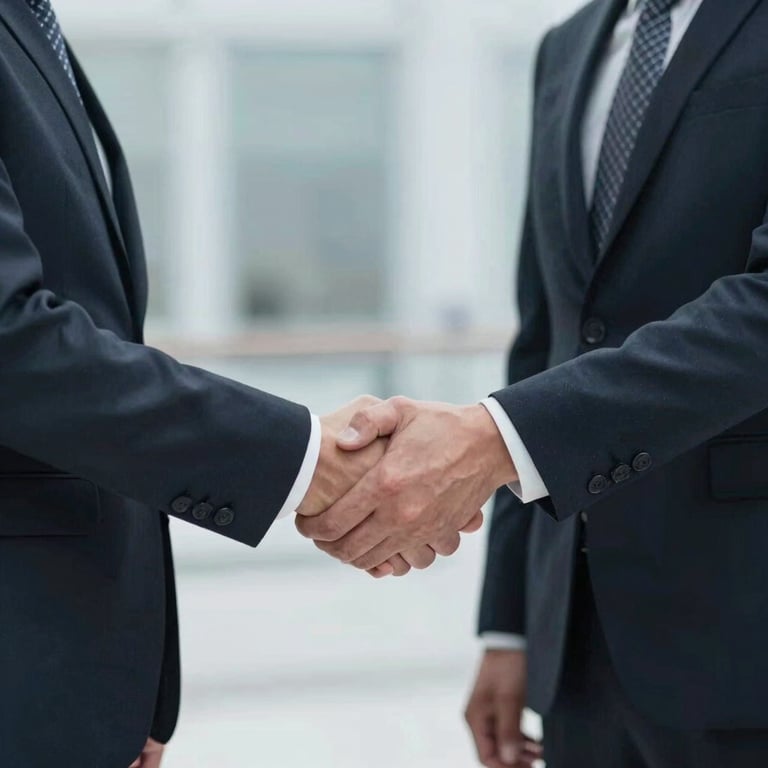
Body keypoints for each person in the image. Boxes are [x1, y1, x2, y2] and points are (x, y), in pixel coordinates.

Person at [0, 1, 483, 765]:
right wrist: (309, 459)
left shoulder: (29, 25)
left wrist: (133, 687)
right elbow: (14, 343)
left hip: (70, 677)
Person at [297, 0, 768, 766]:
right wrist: (510, 625)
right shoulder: (569, 46)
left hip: (746, 626)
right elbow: (548, 340)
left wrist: (487, 439)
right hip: (578, 648)